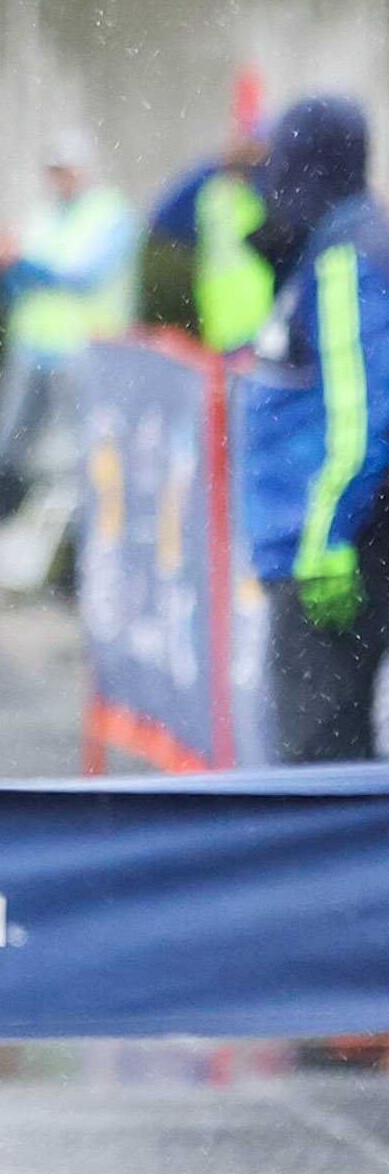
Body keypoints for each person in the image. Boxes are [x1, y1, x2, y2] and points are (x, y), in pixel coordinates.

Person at [235, 96, 389, 761]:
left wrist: (325, 538)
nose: (267, 175)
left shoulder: (346, 253)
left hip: (329, 548)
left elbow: (362, 410)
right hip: (320, 539)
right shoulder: (330, 243)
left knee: (316, 767)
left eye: (279, 156)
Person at [0, 134, 141, 595]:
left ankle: (77, 573)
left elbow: (83, 277)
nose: (62, 178)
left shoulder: (111, 215)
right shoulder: (39, 218)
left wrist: (19, 259)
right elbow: (14, 289)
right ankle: (3, 565)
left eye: (69, 168)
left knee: (80, 467)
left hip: (87, 355)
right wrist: (4, 267)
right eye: (56, 169)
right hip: (33, 350)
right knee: (2, 458)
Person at [150, 124, 279, 354]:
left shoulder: (269, 189)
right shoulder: (210, 190)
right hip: (222, 326)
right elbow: (163, 219)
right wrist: (218, 163)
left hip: (264, 321)